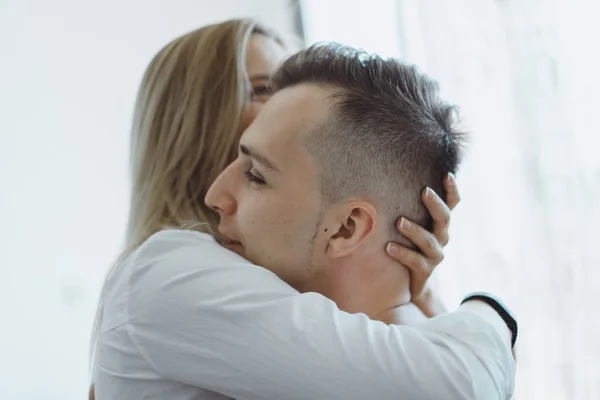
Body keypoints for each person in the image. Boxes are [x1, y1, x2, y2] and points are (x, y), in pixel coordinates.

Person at [91, 20, 515, 400]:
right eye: (262, 89)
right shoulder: (175, 273)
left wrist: (403, 275)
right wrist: (490, 312)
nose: (286, 102)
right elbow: (456, 384)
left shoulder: (283, 281)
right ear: (193, 120)